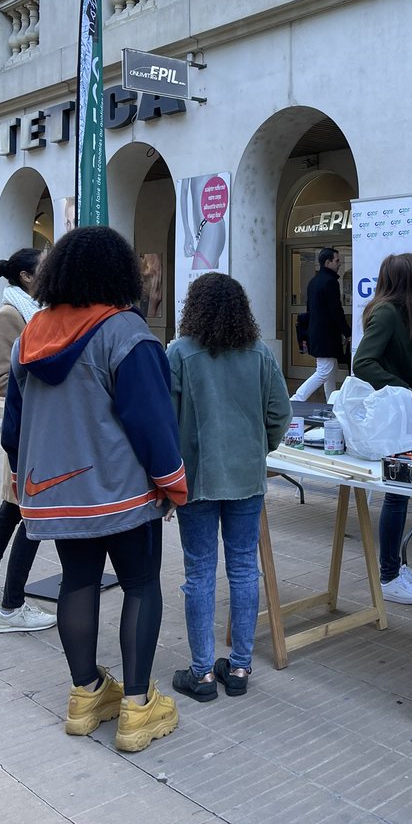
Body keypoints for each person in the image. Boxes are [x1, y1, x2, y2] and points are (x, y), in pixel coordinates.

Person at [1, 226, 188, 753]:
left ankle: (85, 697)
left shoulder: (30, 335)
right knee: (141, 585)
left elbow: (13, 427)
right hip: (124, 492)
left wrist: (25, 476)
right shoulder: (126, 331)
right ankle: (137, 708)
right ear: (118, 273)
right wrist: (173, 483)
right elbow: (153, 421)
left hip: (57, 492)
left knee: (78, 583)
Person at [168, 273, 292, 701]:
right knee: (243, 569)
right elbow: (280, 412)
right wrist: (260, 448)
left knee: (199, 573)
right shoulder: (259, 352)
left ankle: (202, 672)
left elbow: (165, 419)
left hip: (196, 480)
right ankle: (239, 666)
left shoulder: (180, 352)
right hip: (246, 477)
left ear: (193, 307)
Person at [0, 248, 57, 633]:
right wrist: (49, 384)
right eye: (45, 266)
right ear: (26, 277)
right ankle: (12, 605)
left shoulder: (36, 312)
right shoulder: (10, 316)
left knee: (12, 514)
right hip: (25, 434)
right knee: (31, 516)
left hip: (34, 432)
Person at [352, 252, 412, 605]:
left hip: (406, 414)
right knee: (397, 495)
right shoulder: (387, 312)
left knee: (401, 493)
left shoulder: (404, 311)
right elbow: (362, 362)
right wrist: (403, 389)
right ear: (410, 279)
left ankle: (397, 566)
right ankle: (388, 575)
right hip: (397, 415)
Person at [291, 247, 350, 402]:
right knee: (324, 372)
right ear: (327, 263)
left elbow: (311, 309)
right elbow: (336, 310)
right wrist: (347, 332)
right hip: (326, 336)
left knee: (330, 371)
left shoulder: (314, 281)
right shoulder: (330, 282)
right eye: (337, 261)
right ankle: (296, 400)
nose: (340, 264)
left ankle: (331, 403)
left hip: (317, 334)